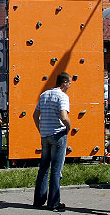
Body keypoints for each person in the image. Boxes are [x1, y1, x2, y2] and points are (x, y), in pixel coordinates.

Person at [33, 72, 72, 212]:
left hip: (45, 135)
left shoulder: (44, 95)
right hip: (58, 135)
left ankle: (38, 199)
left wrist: (40, 128)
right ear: (64, 83)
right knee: (56, 168)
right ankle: (53, 202)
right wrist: (68, 127)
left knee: (44, 167)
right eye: (69, 83)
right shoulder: (63, 96)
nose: (69, 86)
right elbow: (64, 115)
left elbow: (35, 115)